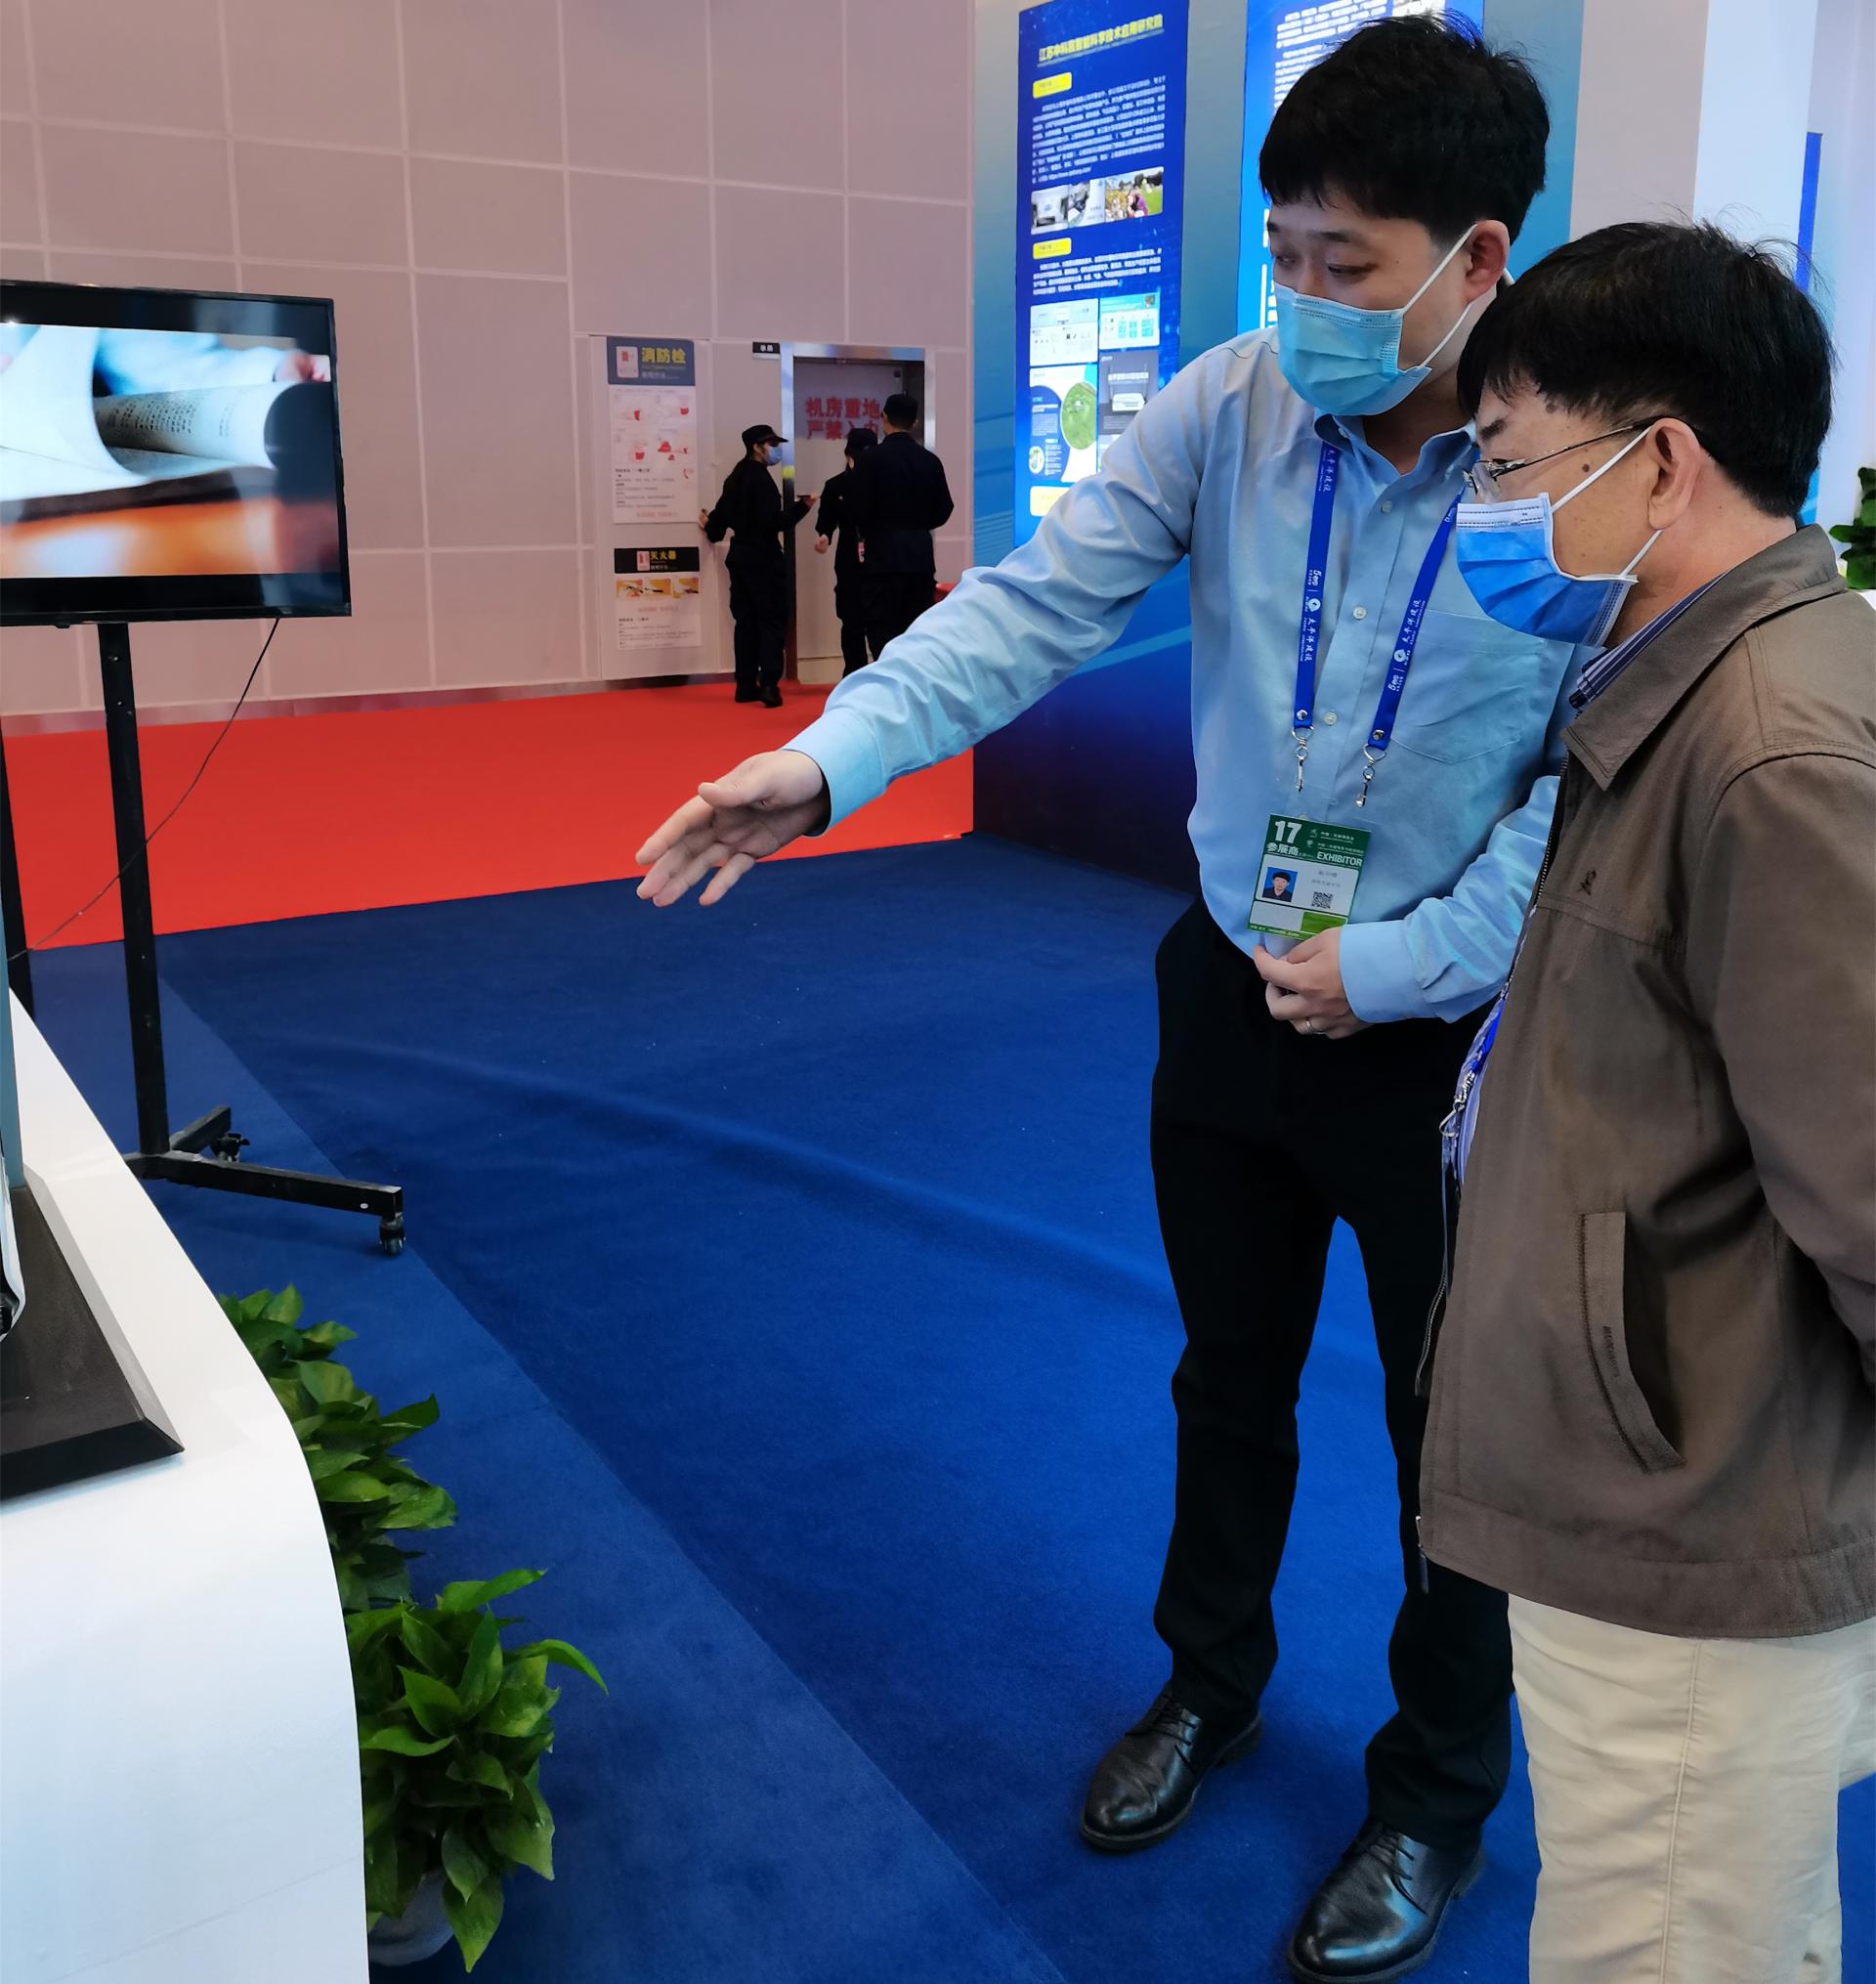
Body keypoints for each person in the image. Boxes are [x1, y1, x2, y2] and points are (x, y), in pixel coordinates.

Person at [639, 21, 1581, 1977]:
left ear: (1479, 257)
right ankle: (1208, 1684)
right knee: (1226, 1377)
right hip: (1228, 988)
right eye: (1283, 252)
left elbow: (1587, 787)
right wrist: (831, 758)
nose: (1301, 299)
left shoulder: (1570, 467)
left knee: (1456, 1442)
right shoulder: (1230, 403)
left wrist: (1403, 966)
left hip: (1451, 1038)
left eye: (1346, 262)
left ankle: (1433, 1794)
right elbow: (1030, 604)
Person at [1420, 219, 1874, 1984]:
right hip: (1665, 1463)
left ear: (1662, 462)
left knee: (1670, 1942)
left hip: (1695, 1507)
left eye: (1507, 461)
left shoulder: (1767, 748)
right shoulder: (1697, 690)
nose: (1485, 508)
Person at [700, 423, 815, 709]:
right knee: (771, 621)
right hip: (765, 558)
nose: (776, 449)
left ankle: (745, 684)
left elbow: (718, 525)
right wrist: (803, 507)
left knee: (746, 622)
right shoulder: (762, 481)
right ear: (757, 447)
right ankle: (770, 686)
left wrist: (709, 525)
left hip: (740, 557)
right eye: (772, 444)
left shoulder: (735, 478)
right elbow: (773, 523)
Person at [844, 392, 954, 659]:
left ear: (883, 418)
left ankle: (887, 678)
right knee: (917, 630)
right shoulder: (930, 461)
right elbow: (944, 509)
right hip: (919, 557)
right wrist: (918, 525)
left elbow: (855, 510)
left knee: (881, 628)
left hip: (882, 558)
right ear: (915, 422)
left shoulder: (869, 460)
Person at [813, 427, 879, 676]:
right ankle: (854, 673)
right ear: (848, 454)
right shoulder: (835, 486)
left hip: (880, 558)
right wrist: (824, 536)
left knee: (879, 620)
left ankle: (881, 672)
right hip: (849, 559)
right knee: (851, 620)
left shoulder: (883, 484)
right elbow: (826, 521)